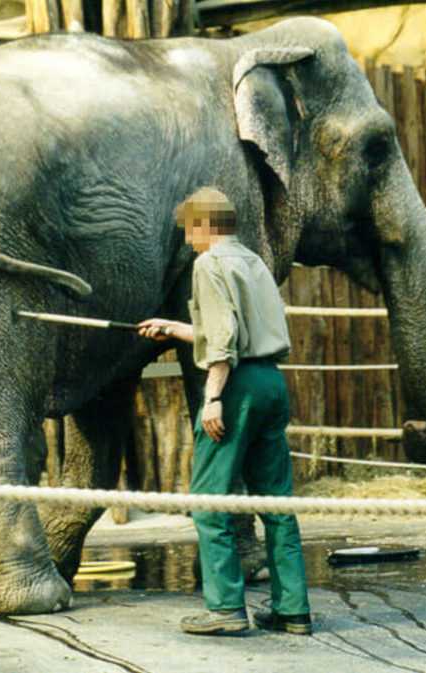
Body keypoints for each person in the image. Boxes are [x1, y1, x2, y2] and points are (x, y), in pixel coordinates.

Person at [139, 187, 311, 636]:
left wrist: (212, 397)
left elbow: (225, 340)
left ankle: (226, 609)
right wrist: (176, 328)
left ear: (204, 225)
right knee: (276, 503)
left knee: (210, 501)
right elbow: (235, 327)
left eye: (189, 232)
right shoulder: (254, 263)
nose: (188, 241)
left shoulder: (209, 264)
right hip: (271, 382)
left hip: (235, 386)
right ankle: (293, 609)